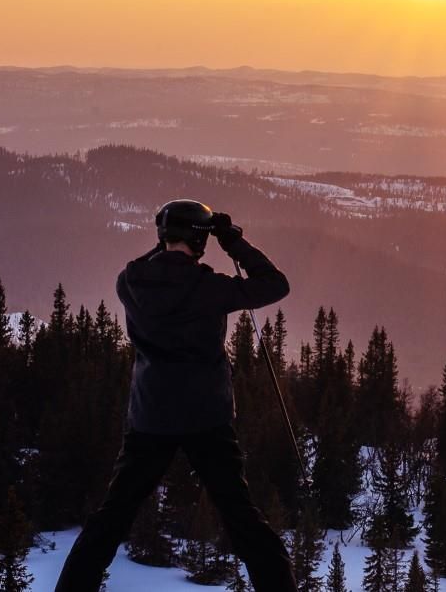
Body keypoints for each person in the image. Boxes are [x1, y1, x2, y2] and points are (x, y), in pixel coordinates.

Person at [55, 199, 298, 592]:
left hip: (150, 417)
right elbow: (275, 284)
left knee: (112, 517)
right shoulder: (211, 288)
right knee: (241, 517)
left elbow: (152, 265)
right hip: (207, 418)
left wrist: (171, 239)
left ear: (163, 235)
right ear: (200, 240)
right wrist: (231, 241)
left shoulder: (130, 281)